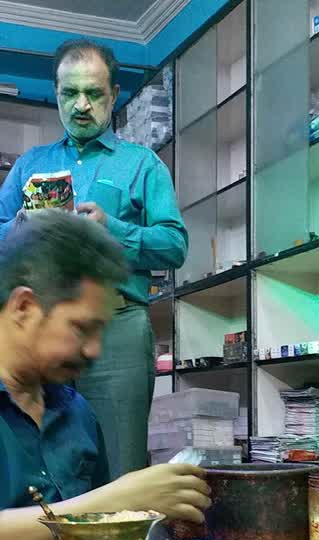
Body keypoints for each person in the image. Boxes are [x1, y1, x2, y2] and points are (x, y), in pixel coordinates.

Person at [0, 39, 188, 479]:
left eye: (94, 93)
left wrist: (113, 228)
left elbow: (175, 244)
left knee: (120, 465)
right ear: (56, 93)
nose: (81, 105)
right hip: (37, 331)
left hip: (116, 330)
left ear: (114, 95)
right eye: (70, 93)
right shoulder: (30, 164)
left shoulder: (143, 165)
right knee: (34, 461)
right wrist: (18, 229)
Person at [0, 210, 209, 540]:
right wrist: (119, 502)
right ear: (24, 307)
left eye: (101, 331)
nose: (95, 350)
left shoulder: (76, 411)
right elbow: (104, 508)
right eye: (81, 328)